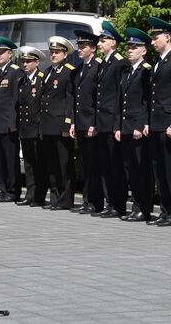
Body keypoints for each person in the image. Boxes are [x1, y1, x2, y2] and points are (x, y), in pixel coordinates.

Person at [145, 17, 171, 227]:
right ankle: (165, 210)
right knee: (159, 169)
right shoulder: (158, 62)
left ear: (168, 37)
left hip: (168, 124)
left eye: (156, 37)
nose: (152, 41)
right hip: (156, 123)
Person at [115, 28, 154, 222]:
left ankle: (143, 208)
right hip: (126, 127)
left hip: (137, 128)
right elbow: (121, 102)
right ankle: (136, 206)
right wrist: (118, 127)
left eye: (135, 47)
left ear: (144, 50)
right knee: (130, 169)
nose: (130, 50)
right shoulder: (127, 72)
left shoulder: (146, 70)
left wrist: (141, 125)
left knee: (141, 170)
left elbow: (148, 101)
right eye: (129, 47)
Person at [92, 21, 129, 218]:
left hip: (112, 122)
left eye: (103, 40)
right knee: (105, 166)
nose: (99, 44)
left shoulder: (119, 63)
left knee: (115, 167)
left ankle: (118, 204)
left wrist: (117, 124)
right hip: (102, 122)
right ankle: (110, 202)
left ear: (113, 42)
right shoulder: (104, 63)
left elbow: (120, 96)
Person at [40, 36, 76, 210]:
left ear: (65, 54)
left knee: (64, 165)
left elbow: (70, 100)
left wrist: (67, 124)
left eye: (57, 52)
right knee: (52, 165)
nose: (53, 55)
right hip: (47, 124)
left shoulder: (69, 71)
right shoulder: (47, 72)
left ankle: (65, 199)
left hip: (60, 124)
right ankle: (55, 197)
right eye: (51, 52)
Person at [69, 30, 102, 215]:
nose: (80, 49)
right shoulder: (80, 69)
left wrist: (94, 122)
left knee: (94, 165)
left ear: (93, 49)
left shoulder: (98, 67)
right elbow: (76, 99)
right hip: (81, 123)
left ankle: (95, 201)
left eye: (84, 46)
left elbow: (97, 98)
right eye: (79, 46)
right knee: (85, 165)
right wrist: (73, 121)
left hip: (91, 124)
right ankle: (87, 199)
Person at [0, 36, 23, 203]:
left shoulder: (15, 71)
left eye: (2, 52)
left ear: (10, 53)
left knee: (10, 159)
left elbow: (15, 99)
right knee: (0, 159)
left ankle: (12, 190)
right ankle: (3, 189)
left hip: (8, 123)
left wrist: (13, 122)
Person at [17, 46, 48, 207]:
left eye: (28, 61)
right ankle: (30, 194)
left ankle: (39, 196)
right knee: (28, 164)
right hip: (25, 127)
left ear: (37, 62)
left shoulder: (42, 79)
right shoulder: (22, 80)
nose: (25, 64)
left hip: (36, 127)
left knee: (39, 165)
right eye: (23, 61)